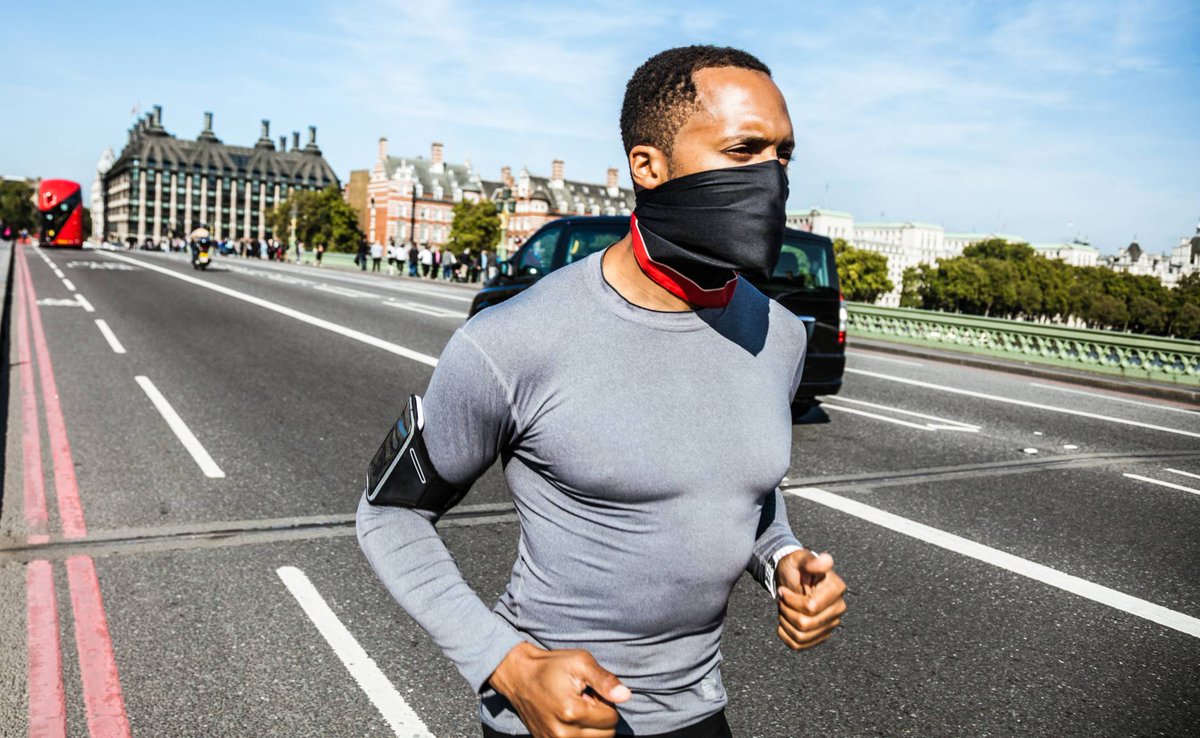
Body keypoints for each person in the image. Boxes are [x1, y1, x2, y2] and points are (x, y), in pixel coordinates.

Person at [357, 46, 846, 738]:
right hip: (552, 720)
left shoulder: (780, 335)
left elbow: (745, 489)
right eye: (743, 150)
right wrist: (505, 664)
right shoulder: (513, 339)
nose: (771, 178)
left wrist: (781, 561)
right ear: (648, 166)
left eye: (783, 155)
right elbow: (390, 515)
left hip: (701, 714)